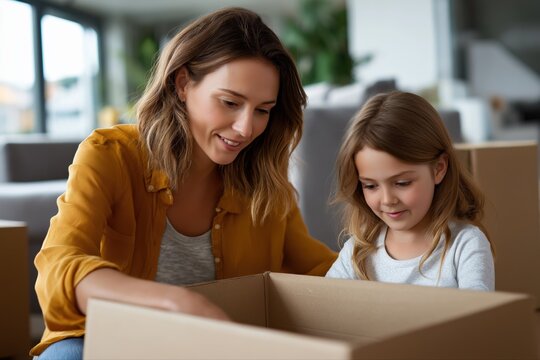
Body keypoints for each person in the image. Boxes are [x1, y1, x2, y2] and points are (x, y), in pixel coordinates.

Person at [32, 7, 336, 358]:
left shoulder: (265, 186)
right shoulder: (110, 154)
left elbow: (321, 272)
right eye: (230, 102)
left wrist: (400, 260)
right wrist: (175, 301)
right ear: (182, 84)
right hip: (107, 341)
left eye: (263, 110)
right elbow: (60, 264)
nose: (245, 128)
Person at [326, 91, 495, 291]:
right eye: (370, 186)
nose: (387, 200)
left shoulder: (466, 245)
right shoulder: (358, 250)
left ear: (439, 169)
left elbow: (478, 319)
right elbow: (325, 305)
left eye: (402, 183)